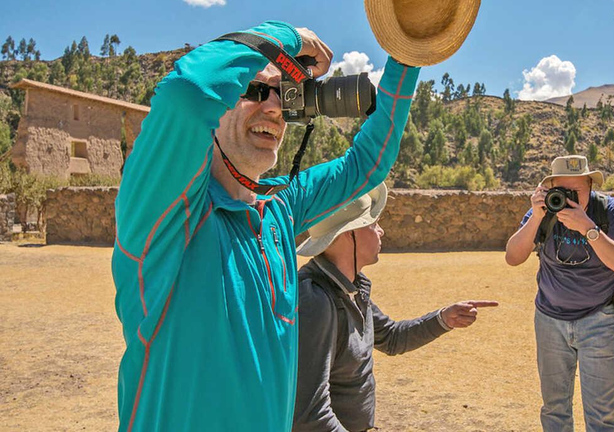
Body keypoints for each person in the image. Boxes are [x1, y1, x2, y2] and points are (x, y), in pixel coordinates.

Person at [111, 22, 420, 431]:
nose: (273, 108)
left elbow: (367, 163)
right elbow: (185, 94)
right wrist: (290, 37)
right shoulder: (163, 214)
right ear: (217, 106)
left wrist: (409, 49)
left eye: (283, 95)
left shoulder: (280, 210)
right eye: (254, 90)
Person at [293, 183, 498, 432]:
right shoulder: (316, 300)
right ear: (350, 233)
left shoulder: (351, 288)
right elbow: (309, 413)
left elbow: (391, 338)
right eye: (373, 224)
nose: (381, 231)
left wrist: (444, 318)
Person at [505, 155, 614, 432]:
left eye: (577, 191)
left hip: (600, 320)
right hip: (550, 321)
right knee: (554, 410)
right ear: (550, 189)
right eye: (563, 191)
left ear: (591, 186)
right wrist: (535, 218)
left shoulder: (612, 211)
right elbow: (513, 257)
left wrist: (588, 228)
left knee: (603, 417)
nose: (569, 198)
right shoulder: (544, 212)